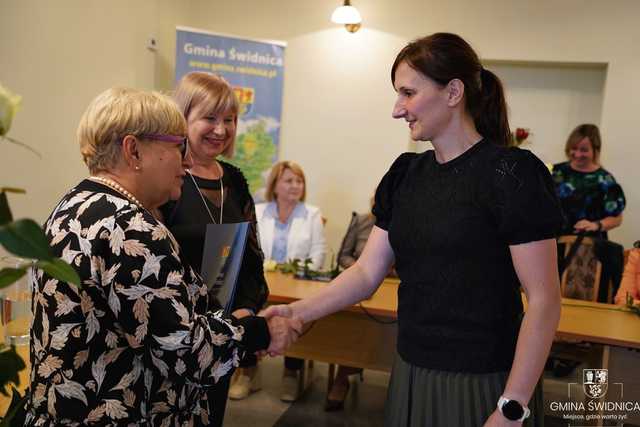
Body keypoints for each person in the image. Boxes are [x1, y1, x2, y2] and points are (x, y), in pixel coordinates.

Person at [265, 32, 564, 427]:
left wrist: (513, 406)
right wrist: (298, 313)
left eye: (408, 93)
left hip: (485, 381)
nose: (397, 109)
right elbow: (366, 272)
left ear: (453, 92)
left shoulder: (510, 174)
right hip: (412, 370)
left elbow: (544, 300)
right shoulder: (407, 174)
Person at [25, 87, 302, 426]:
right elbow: (188, 352)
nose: (186, 161)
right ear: (133, 150)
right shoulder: (131, 229)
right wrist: (262, 332)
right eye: (176, 145)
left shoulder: (71, 206)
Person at [158, 72, 269, 423]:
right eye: (209, 118)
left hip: (225, 336)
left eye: (230, 120)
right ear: (183, 117)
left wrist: (247, 312)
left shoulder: (234, 181)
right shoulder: (166, 179)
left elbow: (252, 259)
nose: (221, 130)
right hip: (174, 340)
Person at [255, 160, 327, 401]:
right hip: (262, 283)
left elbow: (318, 253)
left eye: (299, 181)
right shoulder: (258, 211)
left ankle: (291, 373)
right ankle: (248, 371)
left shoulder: (312, 214)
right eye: (289, 180)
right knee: (249, 308)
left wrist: (299, 272)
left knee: (294, 314)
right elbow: (251, 249)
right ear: (275, 185)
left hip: (297, 285)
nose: (295, 186)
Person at [551, 124, 626, 237]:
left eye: (584, 150)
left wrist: (596, 225)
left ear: (596, 150)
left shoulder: (605, 180)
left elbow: (617, 218)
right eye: (574, 148)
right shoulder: (555, 172)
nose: (577, 154)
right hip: (553, 242)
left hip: (587, 247)